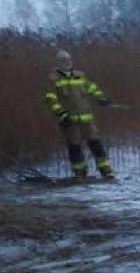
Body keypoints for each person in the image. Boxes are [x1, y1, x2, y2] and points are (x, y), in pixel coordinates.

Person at [45, 49, 115, 181]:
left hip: (87, 118)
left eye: (69, 60)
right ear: (58, 62)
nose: (67, 62)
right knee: (75, 147)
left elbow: (92, 88)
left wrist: (101, 98)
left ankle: (107, 172)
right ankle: (80, 174)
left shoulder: (80, 75)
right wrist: (60, 112)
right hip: (69, 120)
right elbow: (50, 99)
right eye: (64, 60)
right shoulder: (53, 79)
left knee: (96, 144)